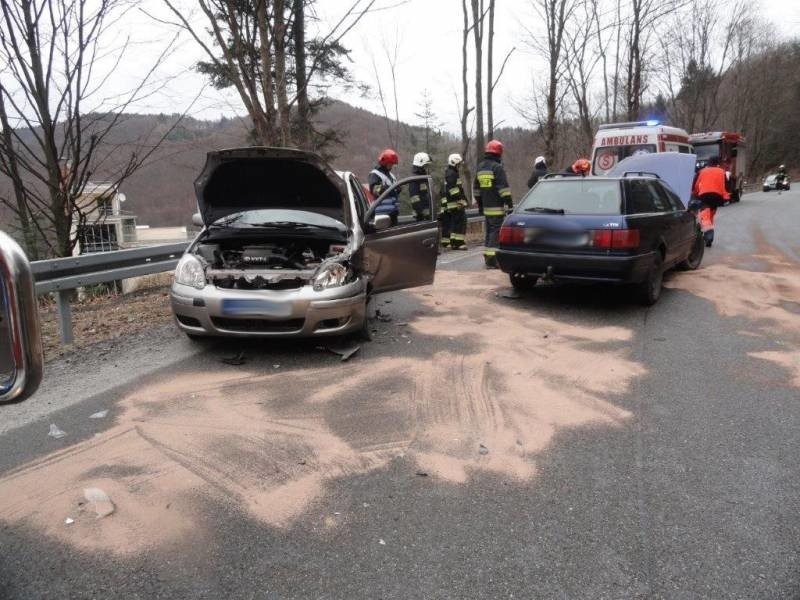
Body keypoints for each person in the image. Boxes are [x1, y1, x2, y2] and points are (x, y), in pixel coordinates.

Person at [474, 139, 512, 268]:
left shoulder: (480, 167)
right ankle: (492, 259)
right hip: (496, 207)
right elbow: (504, 189)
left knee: (489, 231)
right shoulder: (497, 167)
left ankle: (487, 256)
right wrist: (510, 204)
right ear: (498, 153)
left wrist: (480, 205)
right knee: (495, 232)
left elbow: (476, 190)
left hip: (486, 207)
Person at [692, 155, 729, 247]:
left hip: (704, 195)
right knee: (711, 214)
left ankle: (708, 236)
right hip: (717, 196)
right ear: (717, 163)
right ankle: (708, 236)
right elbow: (727, 185)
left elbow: (695, 185)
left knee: (705, 216)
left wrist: (695, 193)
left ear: (708, 163)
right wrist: (725, 196)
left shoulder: (702, 171)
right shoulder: (722, 172)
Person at [442, 153, 468, 250]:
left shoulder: (451, 173)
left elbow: (458, 189)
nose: (459, 166)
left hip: (455, 202)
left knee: (456, 223)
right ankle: (459, 243)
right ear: (454, 163)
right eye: (458, 164)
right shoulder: (451, 173)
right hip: (455, 203)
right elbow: (454, 190)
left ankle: (454, 242)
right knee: (460, 223)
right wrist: (461, 200)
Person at [369, 149, 400, 224]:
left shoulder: (391, 175)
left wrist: (398, 189)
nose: (392, 165)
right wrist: (388, 189)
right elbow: (374, 190)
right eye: (391, 163)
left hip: (393, 213)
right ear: (385, 162)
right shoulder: (375, 174)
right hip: (382, 214)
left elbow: (394, 190)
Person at [409, 152, 433, 221]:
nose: (426, 168)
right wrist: (424, 214)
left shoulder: (422, 179)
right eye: (425, 166)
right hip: (421, 217)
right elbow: (415, 201)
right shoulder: (414, 180)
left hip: (426, 216)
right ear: (420, 165)